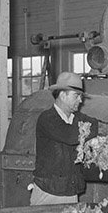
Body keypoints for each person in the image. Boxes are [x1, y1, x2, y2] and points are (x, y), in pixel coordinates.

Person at [30, 72, 92, 205]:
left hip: (70, 191)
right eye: (76, 96)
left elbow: (96, 124)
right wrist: (88, 128)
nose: (80, 101)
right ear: (63, 95)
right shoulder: (47, 118)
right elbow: (70, 136)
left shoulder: (76, 118)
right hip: (48, 192)